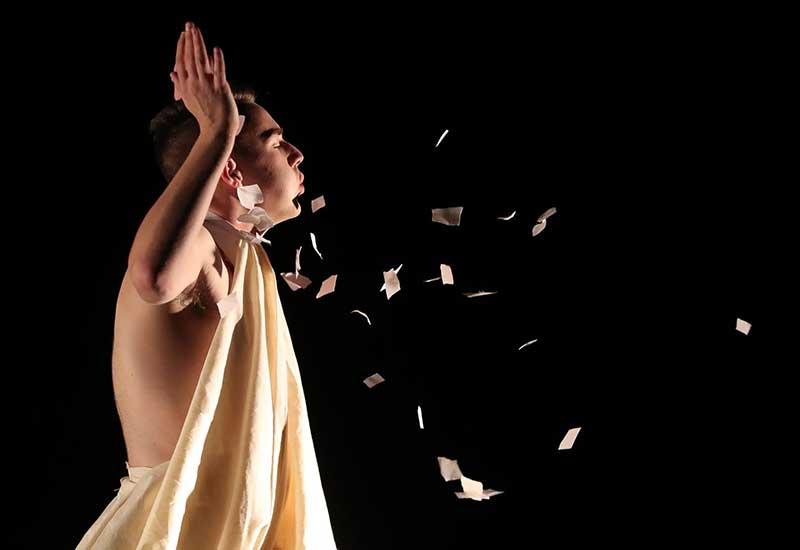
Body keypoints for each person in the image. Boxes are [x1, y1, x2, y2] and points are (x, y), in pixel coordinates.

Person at [77, 21, 337, 549]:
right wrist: (217, 130)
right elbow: (151, 274)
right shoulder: (201, 246)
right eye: (273, 140)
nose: (297, 154)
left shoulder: (243, 258)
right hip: (170, 533)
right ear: (230, 171)